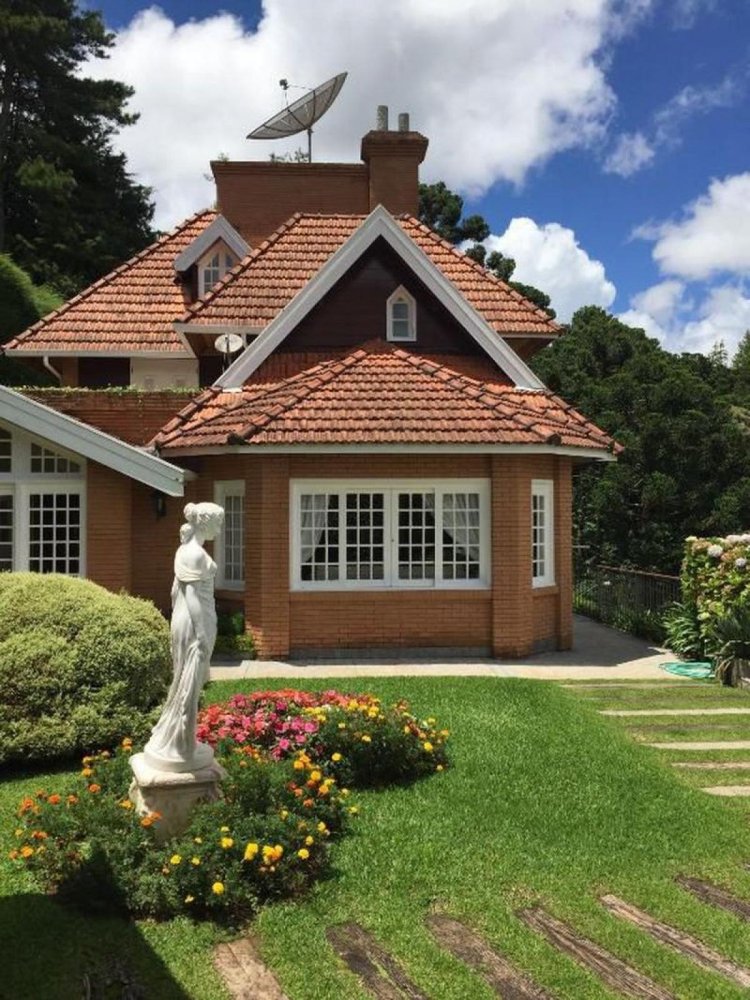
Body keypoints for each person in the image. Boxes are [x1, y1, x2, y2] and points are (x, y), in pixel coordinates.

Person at [143, 502, 224, 772]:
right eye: (217, 522)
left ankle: (182, 738)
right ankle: (180, 745)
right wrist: (201, 634)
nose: (220, 528)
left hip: (194, 619)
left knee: (189, 682)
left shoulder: (189, 548)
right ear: (204, 522)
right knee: (188, 685)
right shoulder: (194, 553)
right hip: (193, 623)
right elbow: (190, 596)